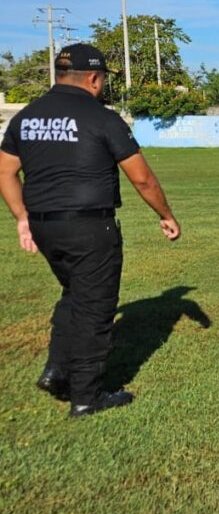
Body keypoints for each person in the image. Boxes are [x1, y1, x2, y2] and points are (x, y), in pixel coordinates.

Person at [0, 43, 181, 418]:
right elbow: (142, 178)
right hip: (89, 226)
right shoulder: (102, 118)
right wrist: (165, 214)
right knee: (95, 308)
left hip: (44, 224)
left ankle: (56, 369)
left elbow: (5, 171)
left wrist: (21, 217)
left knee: (73, 294)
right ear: (95, 78)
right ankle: (86, 396)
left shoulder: (27, 117)